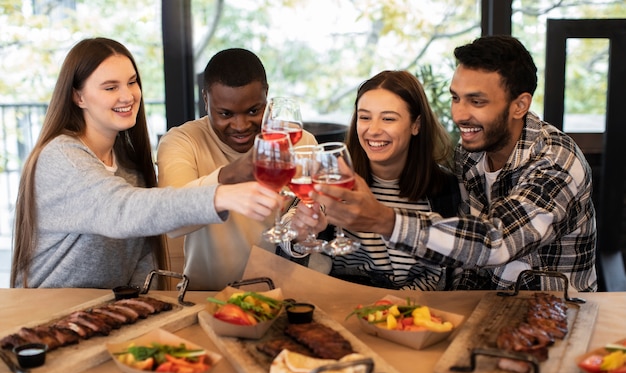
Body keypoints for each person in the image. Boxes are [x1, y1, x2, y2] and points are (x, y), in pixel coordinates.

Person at [304, 35, 598, 292]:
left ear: (519, 105)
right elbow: (465, 254)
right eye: (455, 98)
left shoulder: (556, 162)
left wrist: (385, 220)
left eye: (476, 101)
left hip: (554, 312)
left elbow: (496, 241)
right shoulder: (471, 151)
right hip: (481, 308)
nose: (459, 114)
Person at [10, 38, 282, 289]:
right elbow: (121, 210)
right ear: (78, 96)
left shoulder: (128, 163)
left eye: (131, 82)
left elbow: (142, 260)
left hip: (108, 316)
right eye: (110, 87)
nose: (128, 96)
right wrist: (221, 194)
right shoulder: (62, 156)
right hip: (49, 319)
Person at [156, 48, 317, 290]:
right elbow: (172, 222)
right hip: (206, 295)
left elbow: (304, 221)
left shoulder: (300, 142)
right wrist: (231, 173)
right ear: (206, 99)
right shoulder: (182, 141)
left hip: (285, 295)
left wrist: (304, 226)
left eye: (254, 111)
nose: (241, 126)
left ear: (267, 95)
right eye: (225, 114)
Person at [284, 70, 460, 290]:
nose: (373, 130)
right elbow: (290, 229)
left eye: (388, 119)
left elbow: (440, 273)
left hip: (412, 310)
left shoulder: (445, 188)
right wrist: (301, 231)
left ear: (416, 125)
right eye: (365, 117)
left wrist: (392, 308)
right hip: (338, 301)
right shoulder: (334, 174)